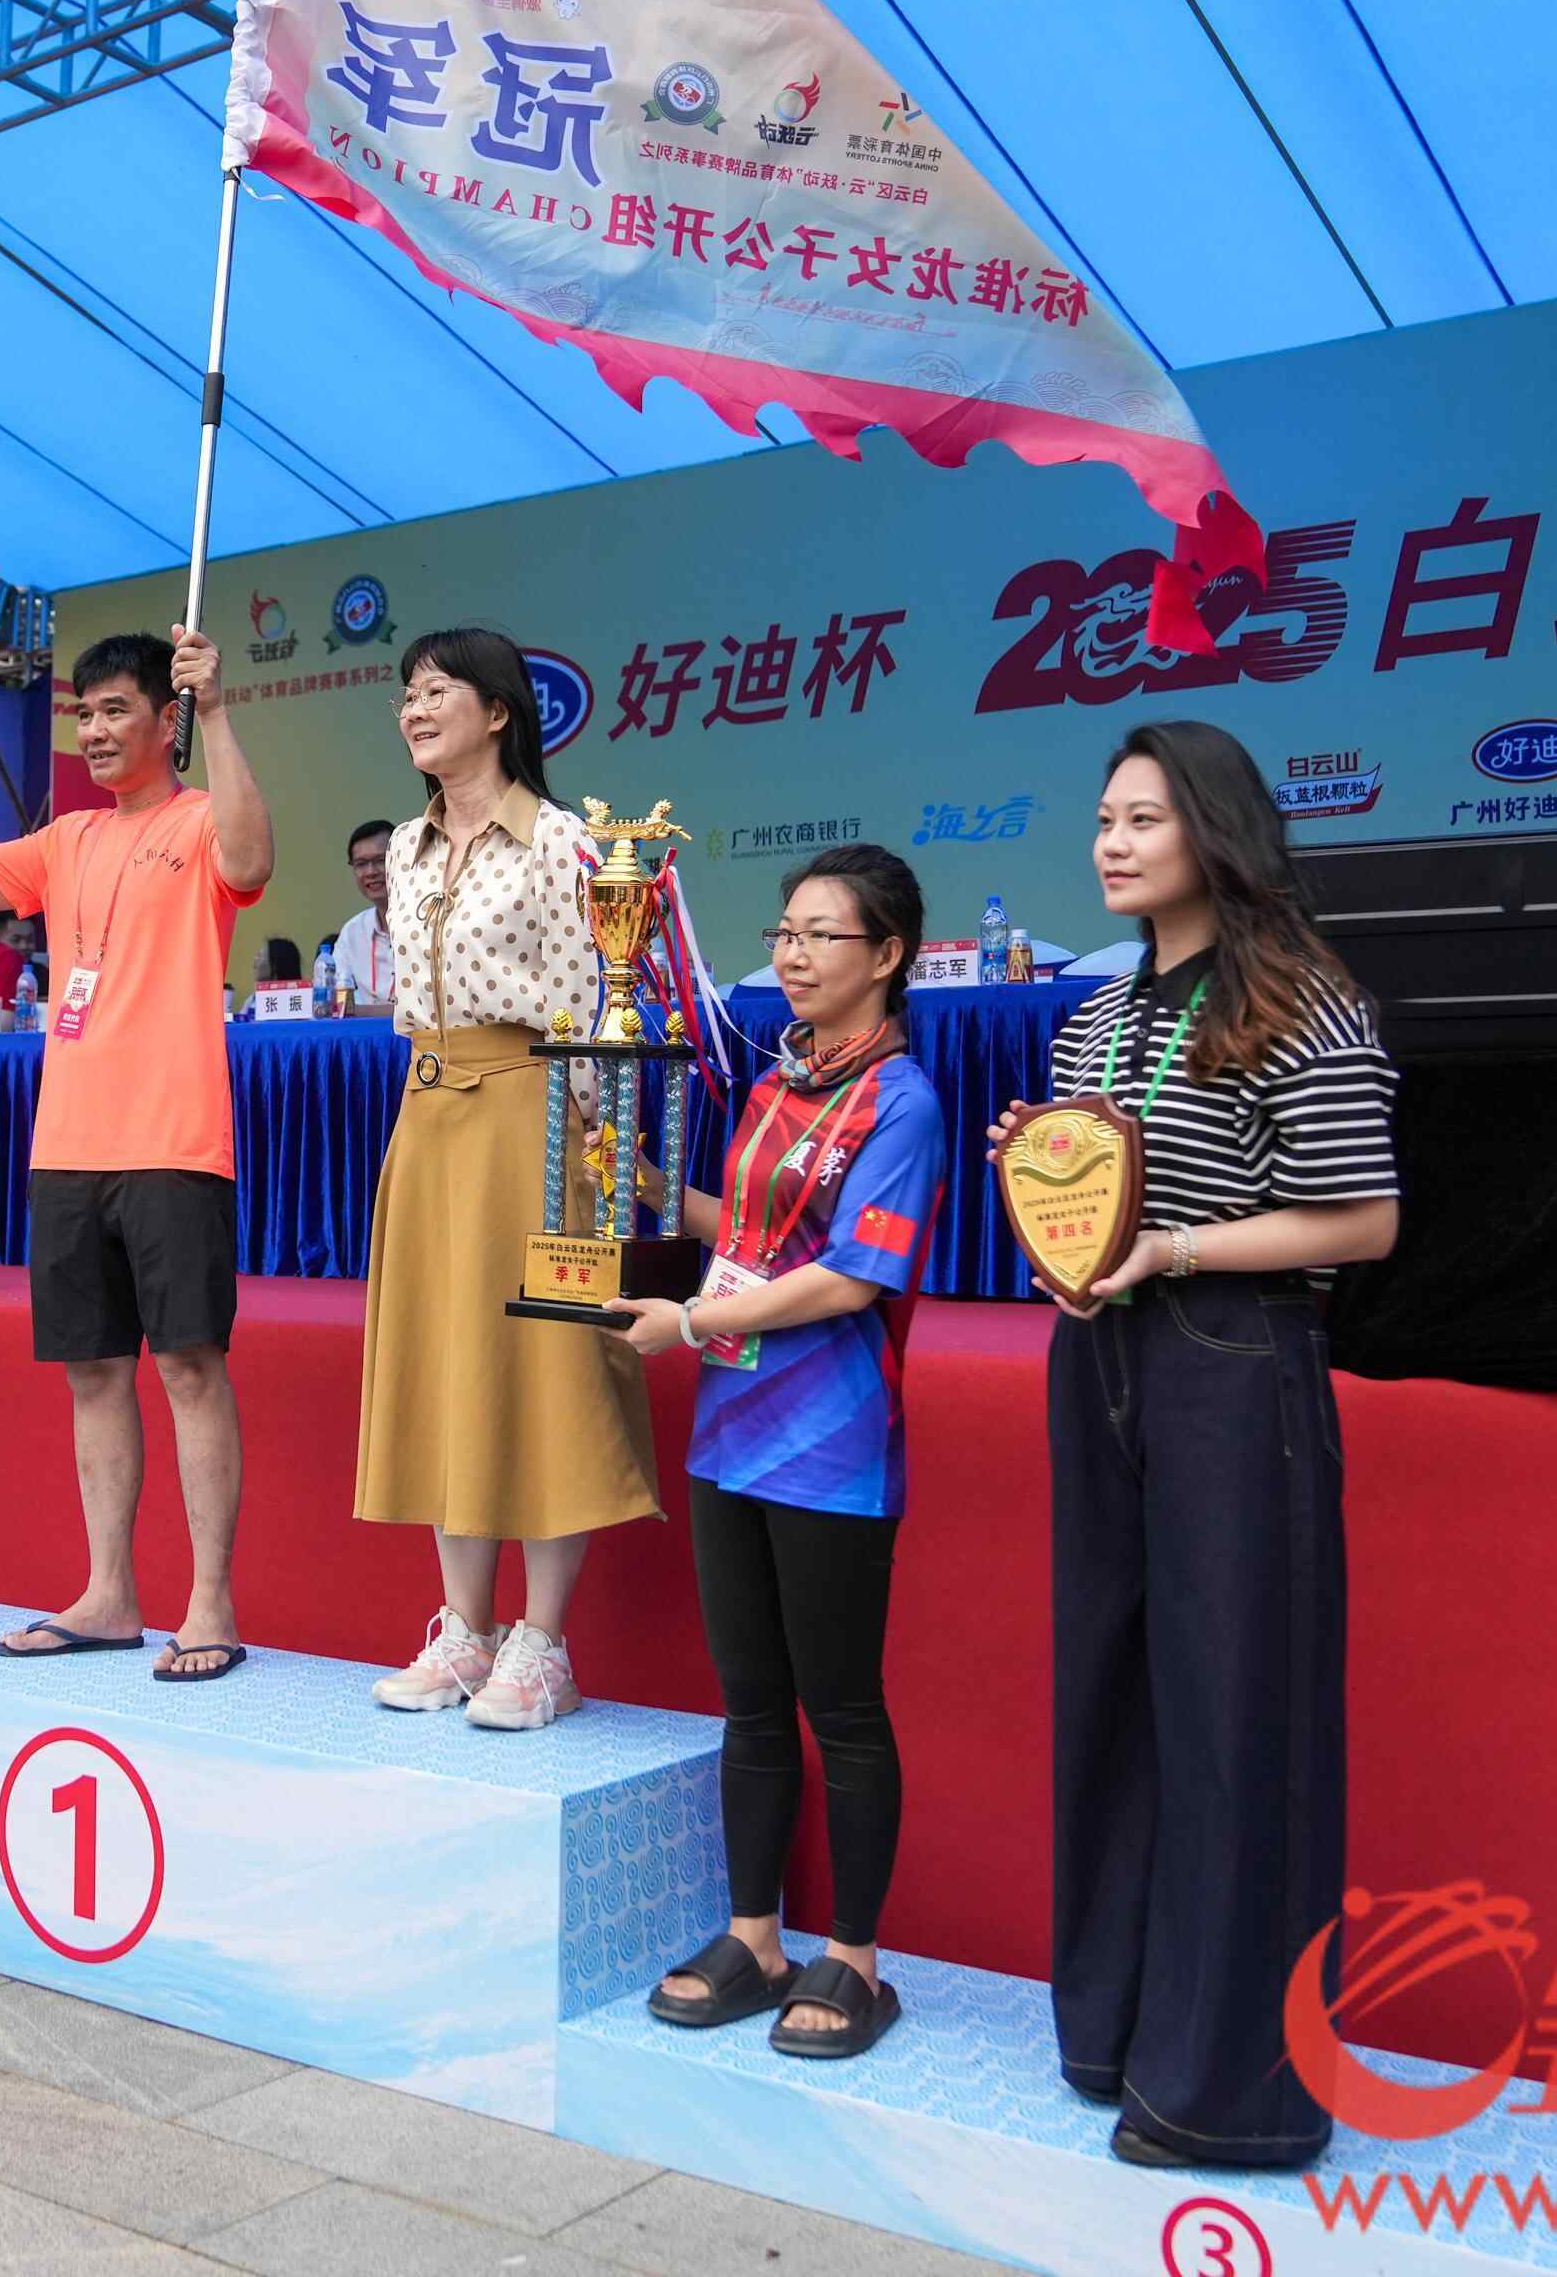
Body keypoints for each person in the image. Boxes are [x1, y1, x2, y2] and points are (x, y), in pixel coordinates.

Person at [984, 719, 1400, 2172]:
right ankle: (1113, 2035)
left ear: (1214, 830)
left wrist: (1170, 1249)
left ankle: (1232, 2093)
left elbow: (1365, 1221)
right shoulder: (1095, 1018)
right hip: (1101, 1355)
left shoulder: (1301, 1000)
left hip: (1235, 1360)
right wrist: (1054, 1195)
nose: (1112, 843)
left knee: (1236, 1715)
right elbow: (1104, 1201)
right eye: (1105, 819)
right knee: (1109, 1694)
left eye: (1144, 819)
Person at [0, 627, 270, 1680]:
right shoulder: (66, 839)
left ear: (164, 720)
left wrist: (217, 708)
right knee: (93, 1373)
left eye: (114, 711)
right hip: (68, 1144)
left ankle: (210, 1601)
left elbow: (251, 862)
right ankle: (108, 1594)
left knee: (188, 1365)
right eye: (83, 715)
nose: (93, 731)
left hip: (173, 1139)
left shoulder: (200, 821)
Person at [616, 844, 944, 2057]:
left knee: (841, 1709)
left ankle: (854, 1959)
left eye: (821, 936)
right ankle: (755, 1937)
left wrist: (690, 1324)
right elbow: (748, 1242)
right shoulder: (777, 1088)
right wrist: (646, 1181)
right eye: (784, 934)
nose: (793, 956)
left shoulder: (903, 1102)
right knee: (751, 1706)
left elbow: (852, 1278)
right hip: (730, 1431)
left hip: (832, 1444)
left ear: (888, 955)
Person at [351, 629, 651, 1730]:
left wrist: (604, 1160)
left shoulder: (563, 843)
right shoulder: (409, 846)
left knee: (546, 1367)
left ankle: (545, 1644)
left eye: (437, 690)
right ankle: (465, 1632)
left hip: (533, 1113)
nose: (415, 708)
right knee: (446, 1362)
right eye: (407, 694)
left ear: (498, 711)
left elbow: (600, 1005)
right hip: (428, 1114)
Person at [327, 818, 397, 1007]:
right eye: (361, 864)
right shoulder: (352, 932)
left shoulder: (429, 924)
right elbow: (335, 1002)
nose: (371, 872)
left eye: (380, 860)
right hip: (365, 1028)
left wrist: (359, 1011)